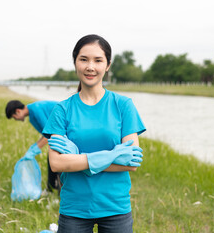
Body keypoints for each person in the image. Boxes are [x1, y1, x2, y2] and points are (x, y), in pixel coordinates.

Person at [42, 34, 146, 233]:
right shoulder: (62, 110)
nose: (90, 67)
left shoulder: (123, 105)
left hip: (115, 207)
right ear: (75, 63)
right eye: (84, 59)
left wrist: (77, 159)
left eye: (98, 60)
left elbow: (131, 163)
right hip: (74, 208)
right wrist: (112, 155)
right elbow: (56, 163)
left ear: (107, 66)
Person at [5, 100, 62, 192]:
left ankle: (58, 191)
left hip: (68, 128)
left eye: (14, 117)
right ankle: (51, 189)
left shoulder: (36, 110)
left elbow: (49, 134)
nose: (15, 119)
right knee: (52, 159)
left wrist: (35, 149)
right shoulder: (32, 115)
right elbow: (46, 134)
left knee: (57, 161)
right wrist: (34, 147)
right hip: (60, 132)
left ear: (18, 111)